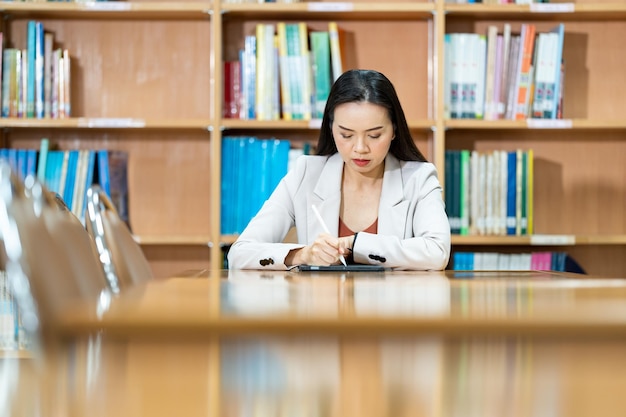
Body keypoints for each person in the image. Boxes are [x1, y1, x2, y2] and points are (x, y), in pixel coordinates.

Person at [227, 69, 450, 270]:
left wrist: (356, 245)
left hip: (391, 312)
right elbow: (239, 253)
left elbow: (437, 252)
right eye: (346, 135)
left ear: (394, 131)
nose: (360, 148)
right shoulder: (306, 174)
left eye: (374, 135)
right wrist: (303, 255)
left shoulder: (419, 178)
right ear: (331, 129)